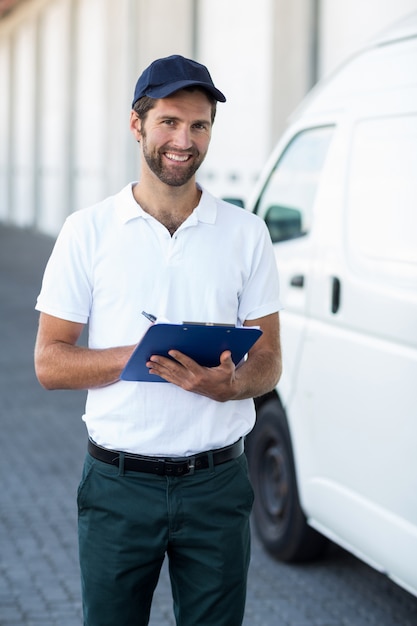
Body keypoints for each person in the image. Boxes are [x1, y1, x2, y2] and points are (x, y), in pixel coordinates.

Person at [34, 54, 282, 626]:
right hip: (119, 487)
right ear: (136, 124)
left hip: (217, 485)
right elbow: (49, 362)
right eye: (169, 121)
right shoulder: (86, 231)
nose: (184, 140)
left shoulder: (246, 233)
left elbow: (269, 359)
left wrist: (232, 384)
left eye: (199, 126)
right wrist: (146, 355)